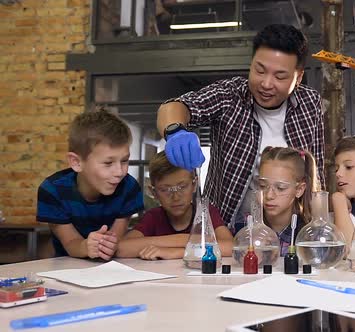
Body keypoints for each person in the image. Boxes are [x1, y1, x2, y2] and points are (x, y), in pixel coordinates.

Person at [156, 24, 325, 232]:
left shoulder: (310, 103)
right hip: (225, 230)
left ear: (298, 77)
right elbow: (175, 106)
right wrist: (175, 131)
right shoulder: (230, 95)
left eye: (280, 76)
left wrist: (320, 226)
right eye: (259, 70)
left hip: (289, 232)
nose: (266, 83)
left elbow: (316, 173)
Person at [36, 109, 144, 259]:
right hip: (67, 267)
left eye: (124, 160)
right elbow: (71, 243)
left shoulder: (129, 187)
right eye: (108, 163)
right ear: (77, 162)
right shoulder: (52, 191)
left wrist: (106, 245)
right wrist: (85, 246)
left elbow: (114, 241)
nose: (120, 172)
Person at [117, 152, 233, 260]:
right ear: (154, 192)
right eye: (165, 189)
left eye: (182, 187)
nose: (176, 197)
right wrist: (190, 241)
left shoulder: (205, 212)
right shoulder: (153, 217)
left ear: (194, 184)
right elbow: (122, 248)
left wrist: (176, 252)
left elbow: (231, 247)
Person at [256, 147, 320, 256]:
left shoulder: (310, 234)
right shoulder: (244, 226)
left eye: (280, 188)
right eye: (263, 186)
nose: (269, 195)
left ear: (299, 189)